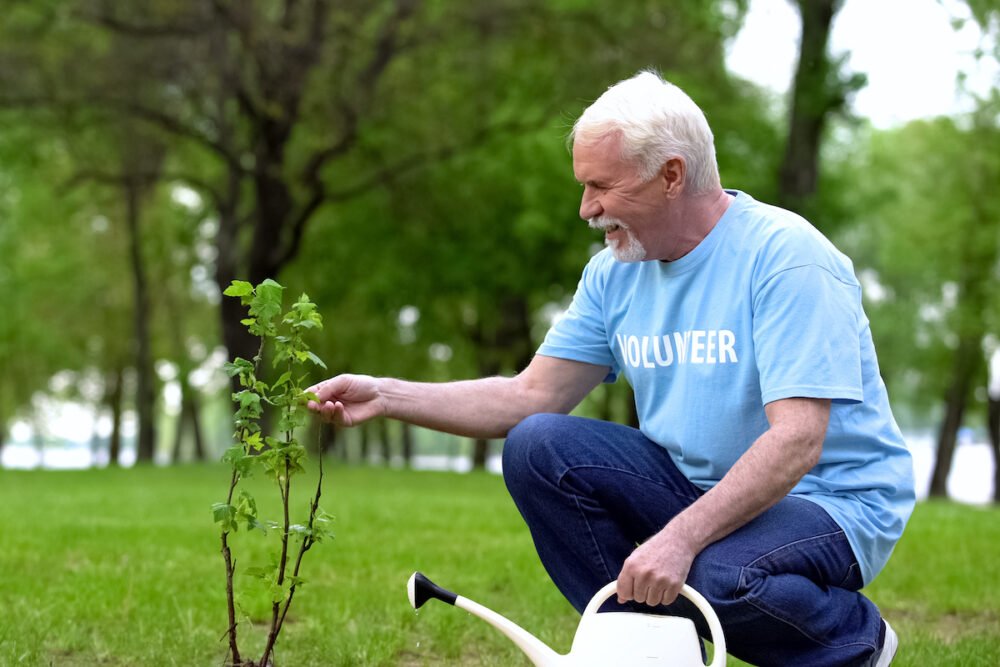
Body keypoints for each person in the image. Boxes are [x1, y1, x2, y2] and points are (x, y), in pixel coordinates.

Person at [307, 70, 915, 666]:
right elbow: (529, 397)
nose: (585, 208)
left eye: (602, 186)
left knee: (714, 575)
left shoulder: (786, 258)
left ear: (671, 176)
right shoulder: (614, 272)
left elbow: (798, 440)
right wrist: (386, 395)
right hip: (694, 484)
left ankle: (852, 643)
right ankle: (645, 651)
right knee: (539, 444)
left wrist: (679, 539)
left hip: (830, 500)